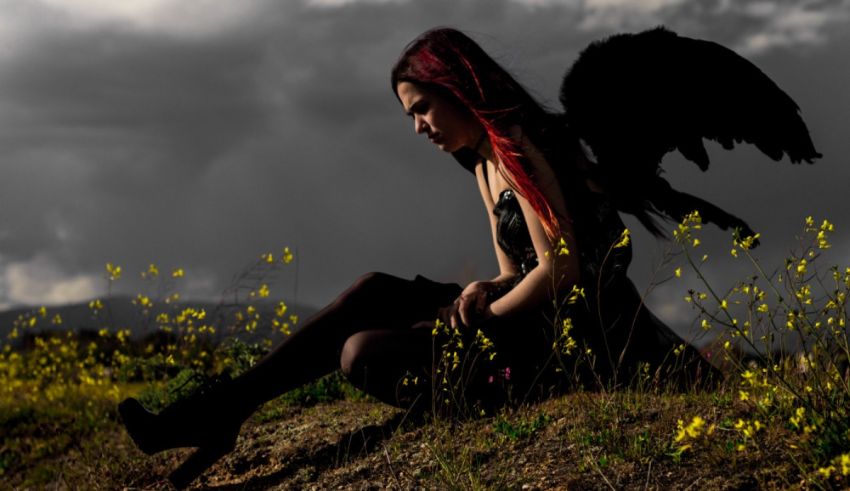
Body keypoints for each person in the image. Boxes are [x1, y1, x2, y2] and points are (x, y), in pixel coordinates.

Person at [118, 27, 719, 489]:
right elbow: (516, 270)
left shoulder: (518, 148)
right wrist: (481, 290)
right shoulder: (482, 161)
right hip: (533, 323)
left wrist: (481, 316)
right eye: (410, 115)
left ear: (458, 90)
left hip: (577, 345)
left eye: (422, 108)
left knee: (361, 352)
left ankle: (221, 415)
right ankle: (223, 411)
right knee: (374, 290)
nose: (417, 128)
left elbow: (562, 270)